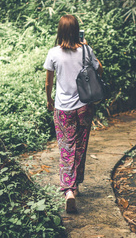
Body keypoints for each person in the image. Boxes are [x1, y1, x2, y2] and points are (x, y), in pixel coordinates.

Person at [43, 15, 103, 213]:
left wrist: (49, 99)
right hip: (84, 105)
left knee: (66, 146)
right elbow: (98, 70)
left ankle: (68, 189)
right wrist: (87, 50)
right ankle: (75, 184)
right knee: (80, 145)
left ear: (60, 31)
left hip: (63, 108)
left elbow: (48, 82)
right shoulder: (86, 50)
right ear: (77, 30)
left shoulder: (53, 53)